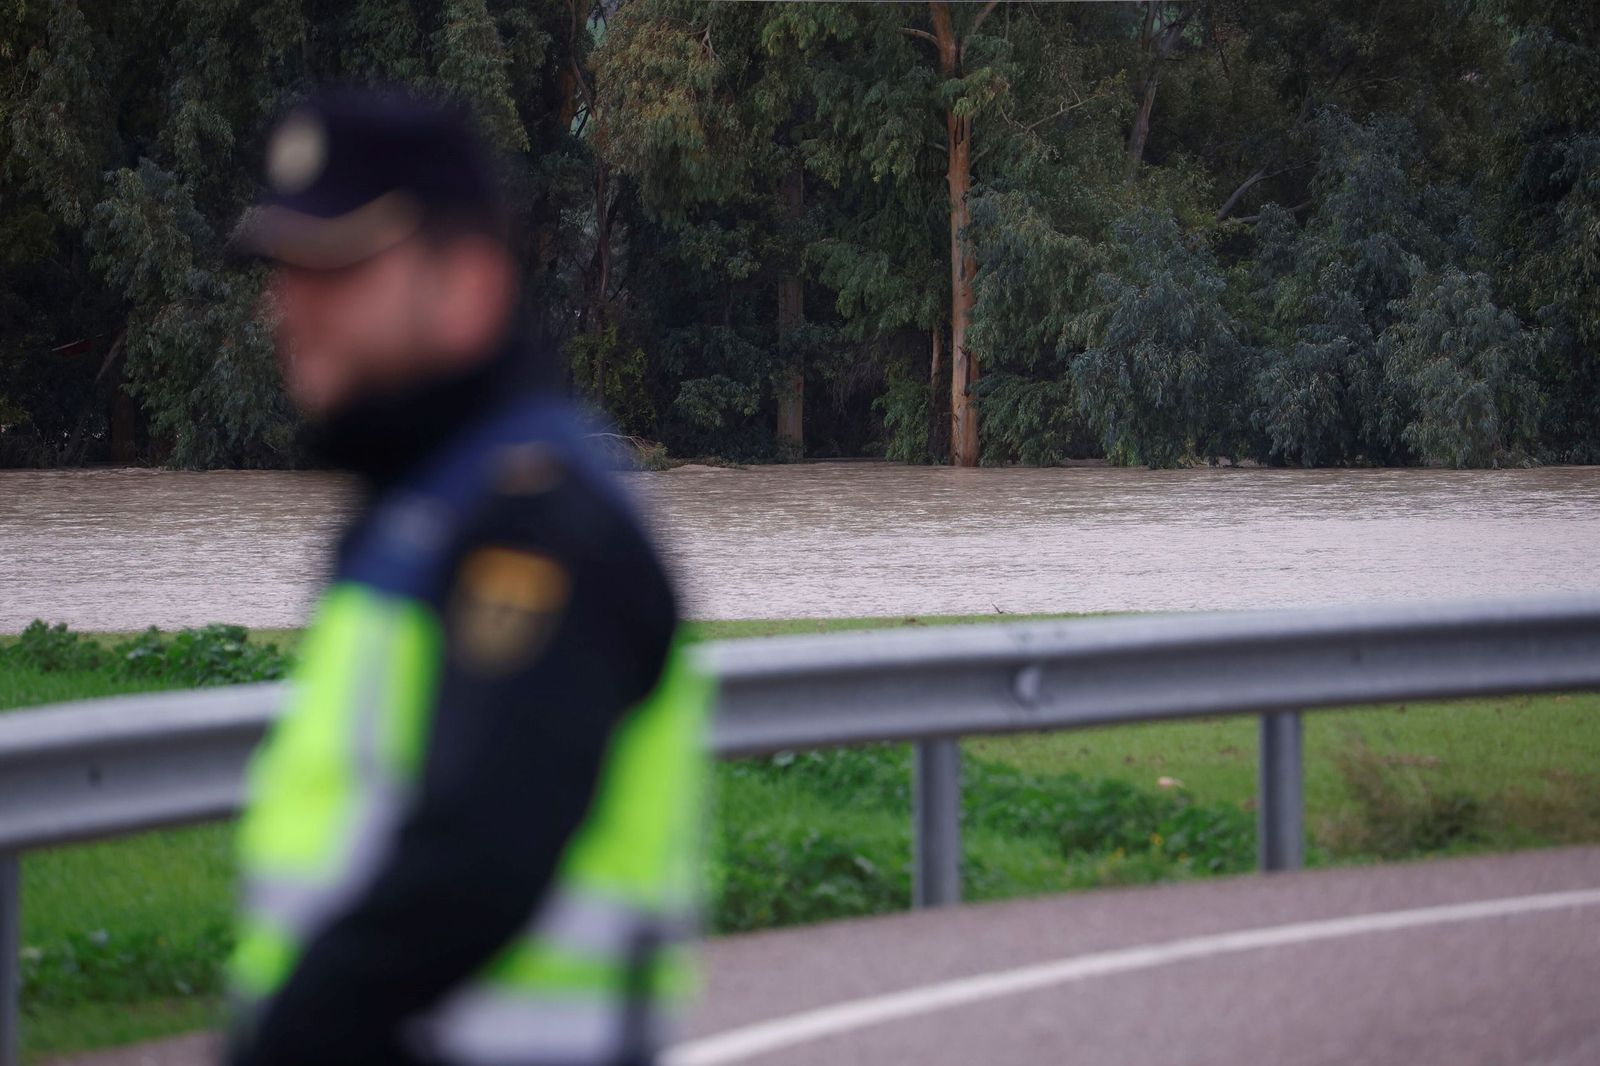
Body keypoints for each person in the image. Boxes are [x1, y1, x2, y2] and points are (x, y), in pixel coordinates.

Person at [224, 89, 710, 1066]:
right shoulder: (419, 511)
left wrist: (290, 1042)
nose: (293, 304)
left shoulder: (532, 523)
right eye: (285, 268)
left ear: (468, 284)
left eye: (341, 267)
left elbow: (479, 852)